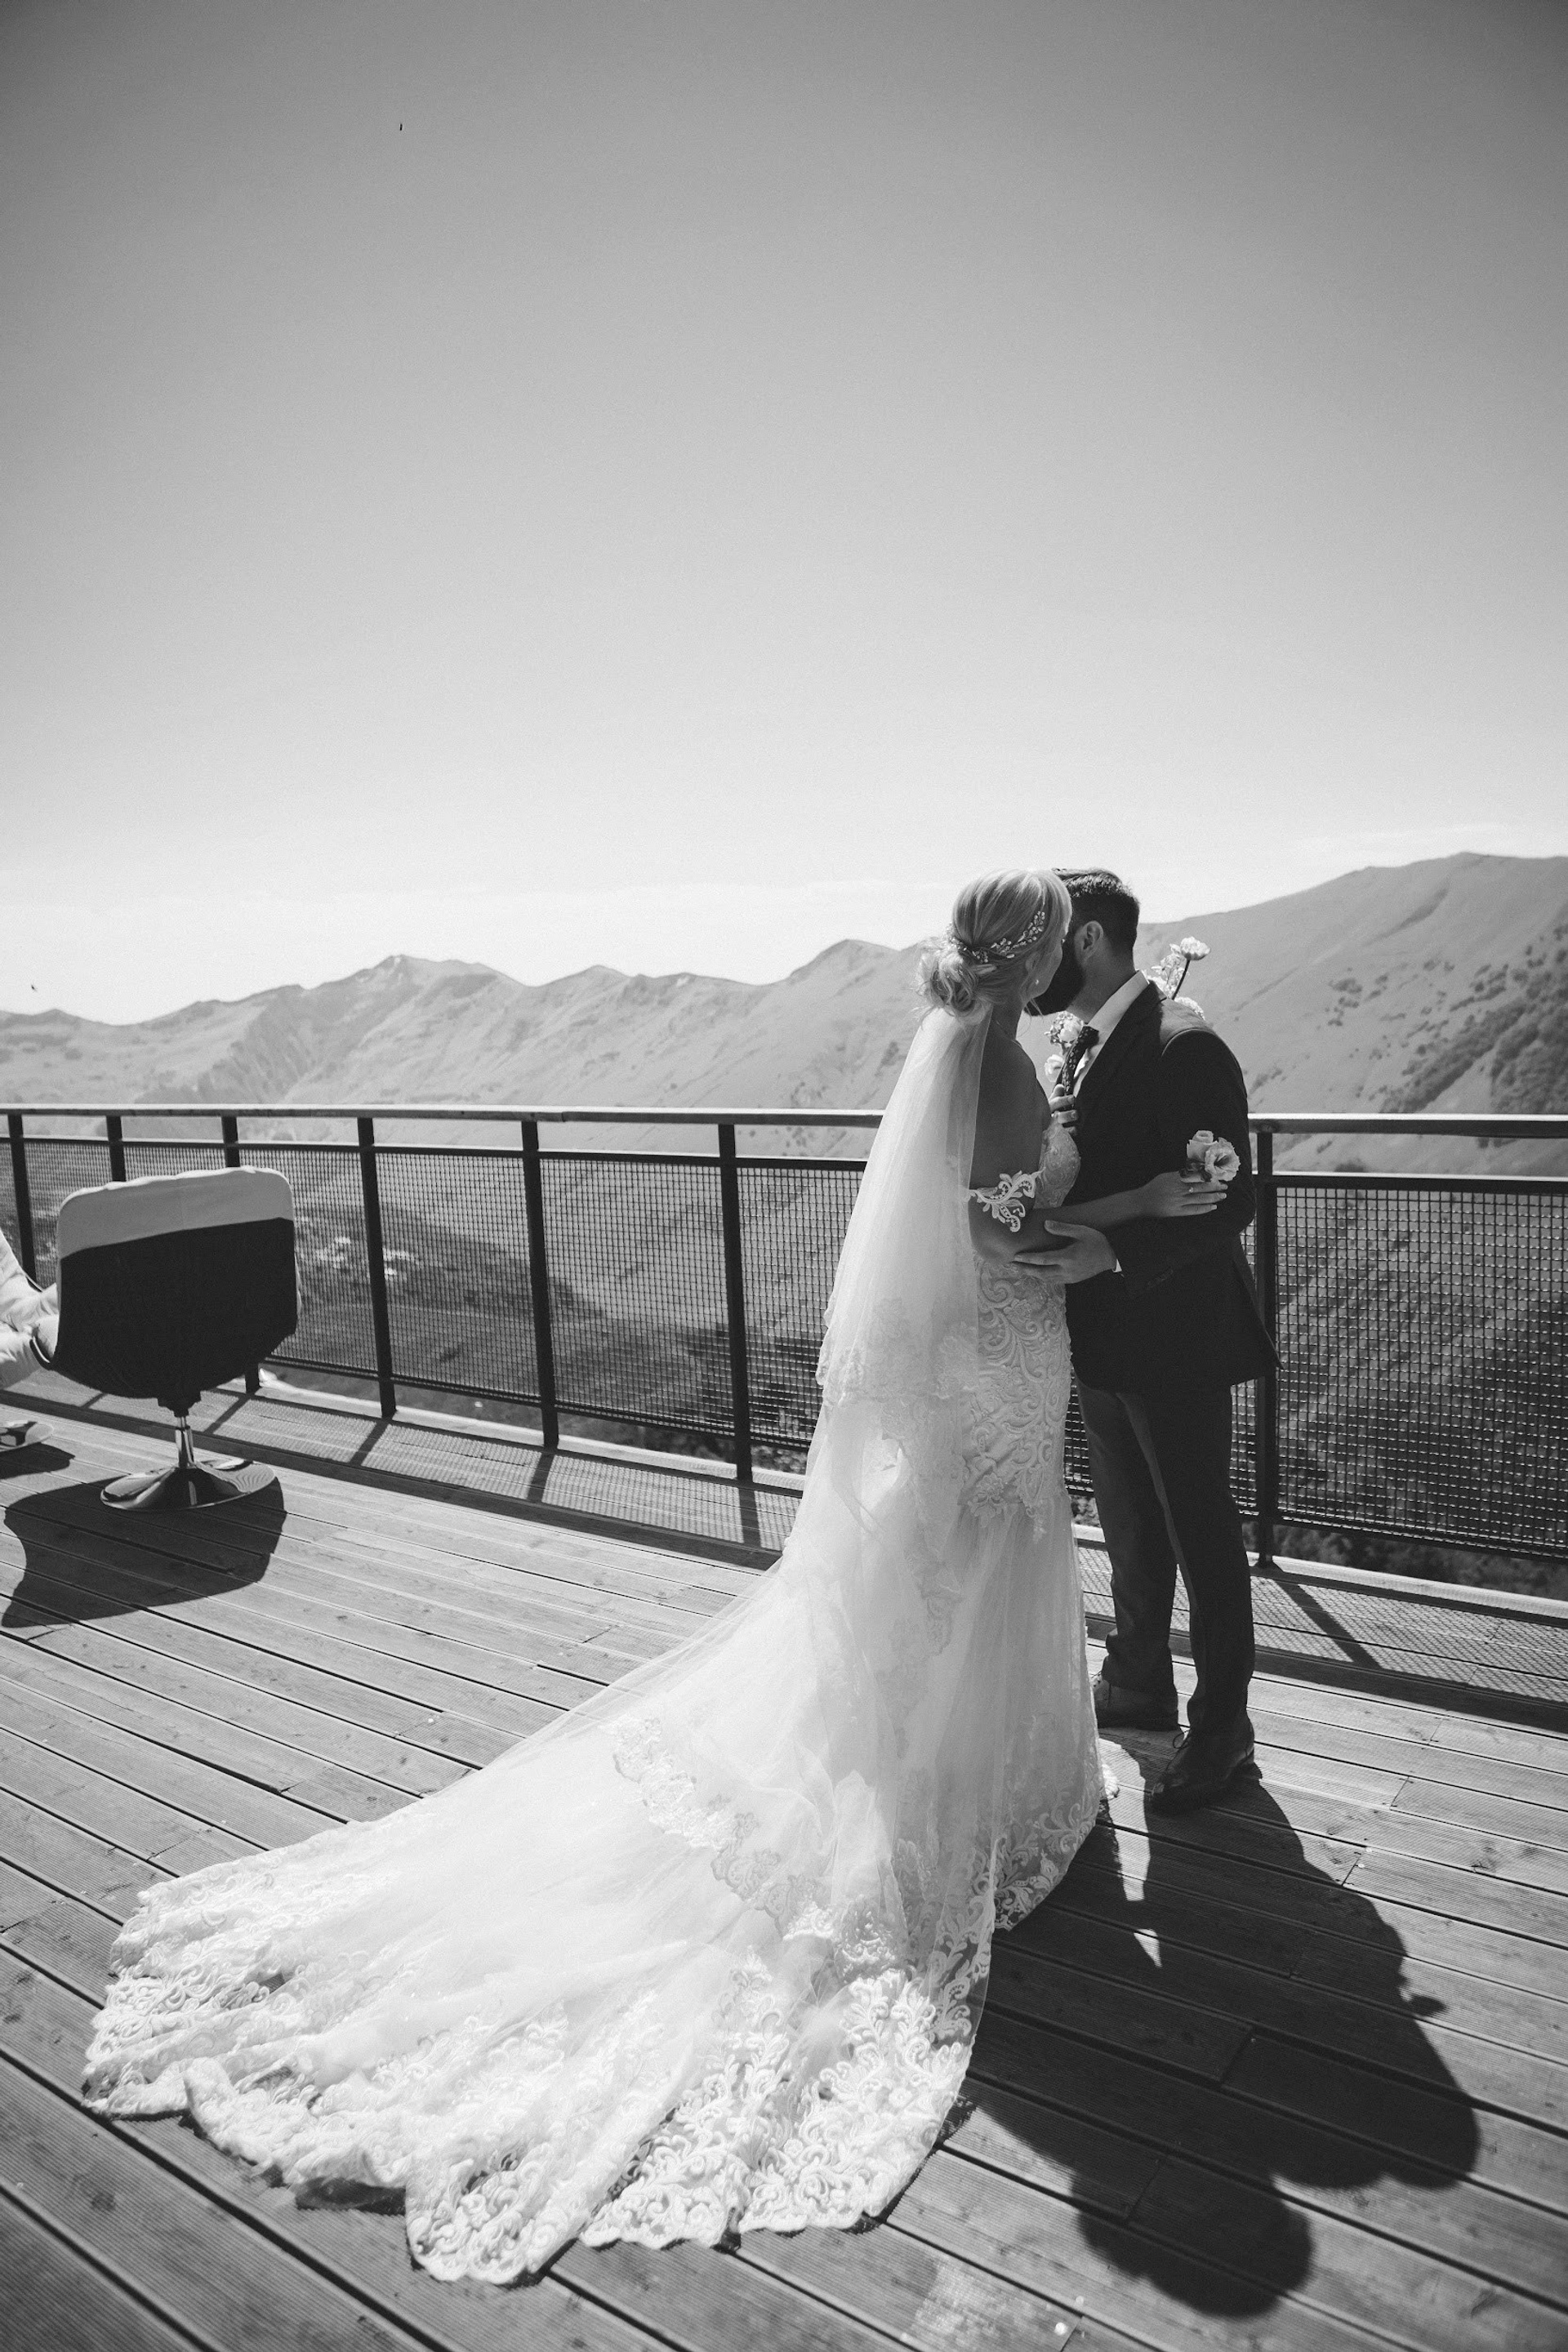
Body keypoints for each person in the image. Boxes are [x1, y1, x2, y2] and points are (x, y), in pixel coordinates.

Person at [83, 867, 1222, 2285]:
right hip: (1000, 1356)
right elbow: (1008, 1241)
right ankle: (969, 1793)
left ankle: (937, 1767)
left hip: (956, 1372)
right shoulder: (1001, 1073)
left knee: (939, 1567)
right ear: (1041, 955)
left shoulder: (959, 1053)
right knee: (993, 1552)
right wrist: (1125, 1224)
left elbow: (959, 1221)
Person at [1021, 868, 1275, 1814]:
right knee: (1129, 1526)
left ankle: (1223, 1735)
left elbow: (1232, 1199)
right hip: (1103, 1338)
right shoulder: (1083, 1042)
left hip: (1177, 1337)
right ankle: (1137, 1685)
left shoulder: (1183, 1044)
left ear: (1086, 940)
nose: (1036, 961)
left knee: (1202, 1537)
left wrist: (1115, 1258)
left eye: (1045, 938)